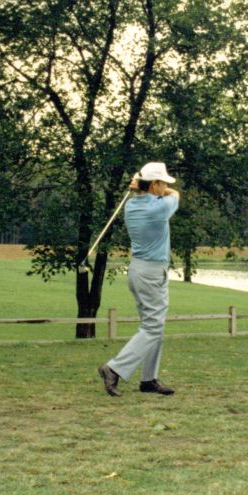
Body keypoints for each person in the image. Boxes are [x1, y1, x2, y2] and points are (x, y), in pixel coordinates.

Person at [98, 162, 180, 397]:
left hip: (140, 271)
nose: (166, 186)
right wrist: (153, 188)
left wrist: (141, 187)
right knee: (153, 326)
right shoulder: (159, 208)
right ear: (154, 184)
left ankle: (149, 379)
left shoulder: (131, 205)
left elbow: (159, 193)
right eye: (163, 182)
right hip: (151, 273)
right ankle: (113, 368)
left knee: (155, 326)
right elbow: (176, 194)